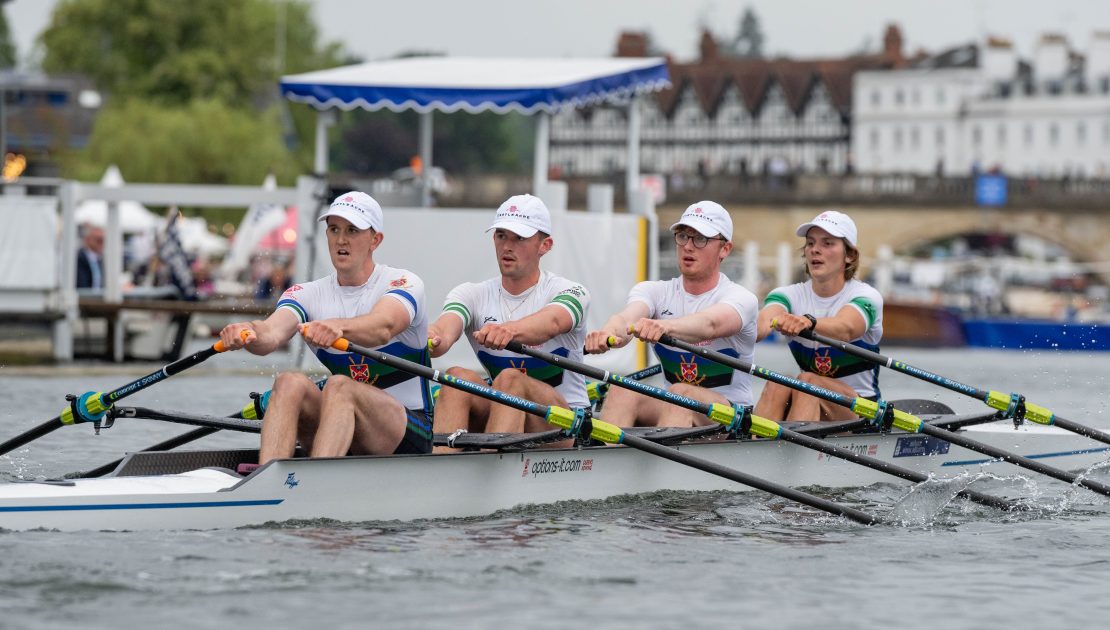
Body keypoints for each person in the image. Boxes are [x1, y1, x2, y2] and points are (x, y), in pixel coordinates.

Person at [218, 192, 432, 464]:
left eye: (352, 230)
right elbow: (270, 334)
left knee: (339, 386)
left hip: (409, 431)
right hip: (343, 425)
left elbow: (384, 327)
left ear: (375, 240)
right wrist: (246, 331)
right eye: (334, 229)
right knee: (289, 382)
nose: (341, 240)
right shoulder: (307, 294)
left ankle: (316, 486)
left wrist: (338, 328)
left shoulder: (402, 283)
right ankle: (270, 482)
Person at [427, 194, 590, 450]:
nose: (507, 246)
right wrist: (433, 337)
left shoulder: (570, 291)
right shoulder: (471, 294)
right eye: (501, 235)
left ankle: (491, 474)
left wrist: (508, 330)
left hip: (564, 424)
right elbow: (445, 328)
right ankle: (441, 470)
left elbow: (553, 322)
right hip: (504, 413)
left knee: (510, 379)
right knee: (456, 377)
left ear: (545, 245)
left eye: (520, 238)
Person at [585, 201, 758, 428]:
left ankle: (659, 459)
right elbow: (626, 320)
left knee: (680, 393)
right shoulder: (653, 291)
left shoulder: (741, 298)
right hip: (674, 407)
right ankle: (608, 459)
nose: (688, 246)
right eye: (683, 236)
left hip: (731, 418)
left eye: (700, 239)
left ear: (724, 249)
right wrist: (608, 332)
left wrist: (665, 327)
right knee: (622, 389)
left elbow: (710, 324)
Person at [754, 210, 883, 422]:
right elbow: (762, 324)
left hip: (861, 410)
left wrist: (809, 322)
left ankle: (791, 450)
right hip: (810, 401)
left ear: (849, 255)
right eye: (811, 243)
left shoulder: (866, 296)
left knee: (808, 381)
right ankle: (756, 447)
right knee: (778, 381)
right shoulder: (787, 295)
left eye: (827, 243)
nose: (815, 250)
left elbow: (846, 328)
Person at [76, 224, 105, 289]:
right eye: (98, 240)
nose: (101, 243)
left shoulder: (101, 259)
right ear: (87, 240)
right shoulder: (78, 258)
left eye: (103, 240)